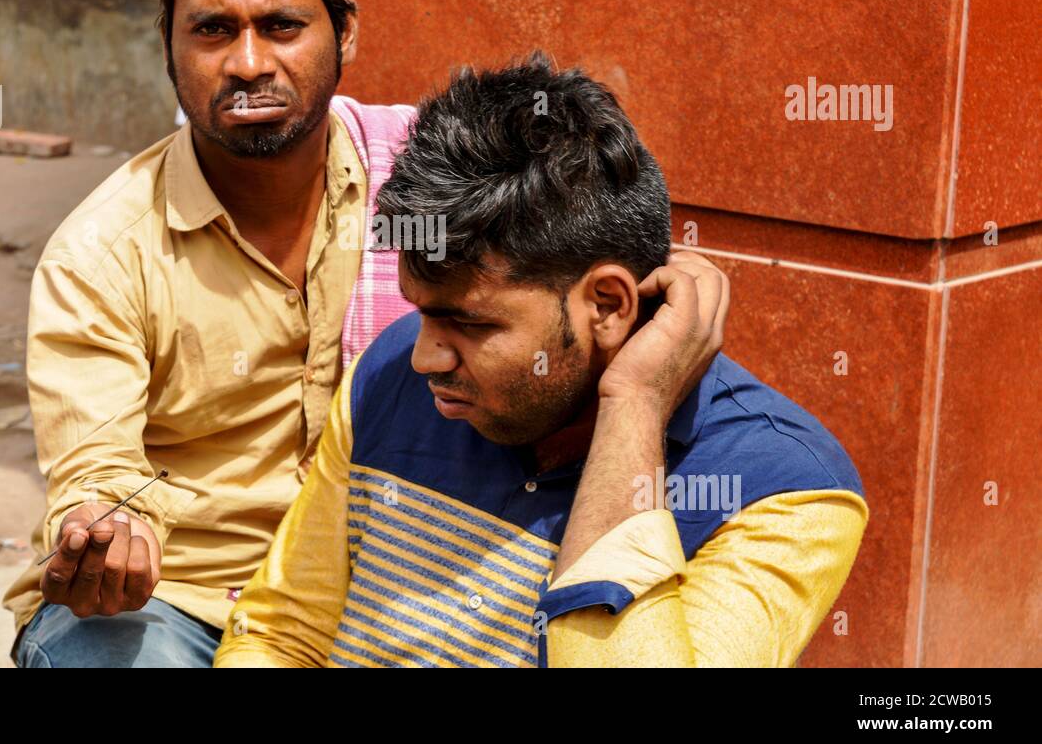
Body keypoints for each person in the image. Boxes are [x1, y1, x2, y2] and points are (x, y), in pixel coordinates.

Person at [213, 53, 868, 667]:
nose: (424, 357)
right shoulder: (385, 376)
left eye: (468, 322)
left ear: (608, 306)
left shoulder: (784, 492)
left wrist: (633, 408)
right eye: (421, 311)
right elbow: (281, 634)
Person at [1, 0, 416, 667]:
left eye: (283, 26)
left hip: (390, 579)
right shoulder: (101, 255)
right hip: (178, 605)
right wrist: (108, 527)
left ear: (348, 32)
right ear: (167, 44)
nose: (250, 62)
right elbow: (97, 464)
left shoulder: (421, 183)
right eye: (213, 29)